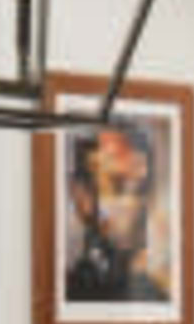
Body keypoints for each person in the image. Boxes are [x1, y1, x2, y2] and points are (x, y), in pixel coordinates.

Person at [61, 118, 171, 304]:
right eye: (118, 185)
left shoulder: (160, 290)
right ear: (81, 197)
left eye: (143, 188)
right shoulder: (73, 291)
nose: (135, 204)